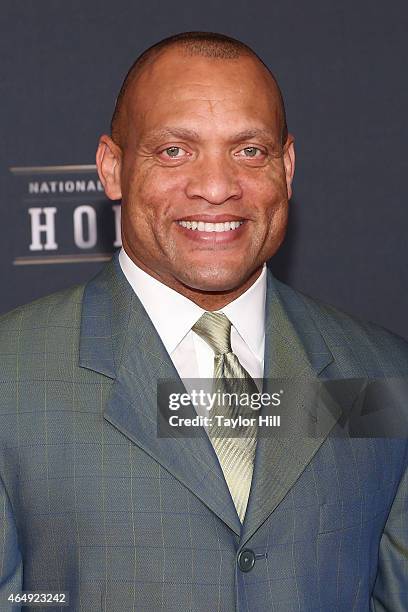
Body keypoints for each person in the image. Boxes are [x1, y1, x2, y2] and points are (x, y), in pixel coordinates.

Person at [0, 31, 407, 612]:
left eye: (249, 151)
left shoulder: (385, 375)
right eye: (174, 151)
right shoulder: (10, 375)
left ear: (287, 167)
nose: (217, 188)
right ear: (111, 168)